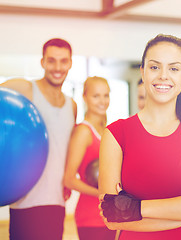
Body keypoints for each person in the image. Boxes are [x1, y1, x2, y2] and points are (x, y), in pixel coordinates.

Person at [98, 34, 181, 240]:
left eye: (174, 69)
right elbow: (112, 218)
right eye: (154, 67)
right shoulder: (116, 134)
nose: (163, 76)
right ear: (143, 71)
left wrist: (137, 208)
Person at [0, 38, 77, 240]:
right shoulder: (26, 89)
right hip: (26, 200)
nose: (57, 67)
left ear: (70, 63)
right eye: (51, 60)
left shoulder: (72, 105)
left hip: (56, 200)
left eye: (63, 61)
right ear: (42, 62)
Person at [64, 76, 116, 240]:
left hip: (109, 215)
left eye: (105, 95)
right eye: (96, 96)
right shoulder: (83, 132)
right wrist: (102, 194)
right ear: (85, 97)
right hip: (90, 217)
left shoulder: (106, 130)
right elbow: (69, 179)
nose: (102, 101)